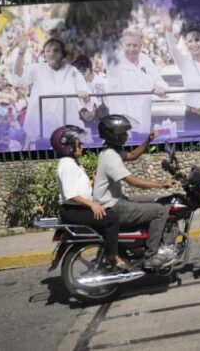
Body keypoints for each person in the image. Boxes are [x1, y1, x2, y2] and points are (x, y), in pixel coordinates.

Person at [93, 114, 180, 270]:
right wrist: (161, 184)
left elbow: (133, 155)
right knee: (160, 211)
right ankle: (151, 256)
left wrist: (148, 140)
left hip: (116, 201)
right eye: (124, 132)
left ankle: (151, 242)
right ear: (115, 135)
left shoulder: (111, 151)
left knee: (159, 200)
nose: (127, 135)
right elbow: (132, 181)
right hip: (113, 206)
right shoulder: (110, 157)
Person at [52, 125, 129, 270]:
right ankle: (112, 256)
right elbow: (71, 194)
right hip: (73, 210)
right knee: (111, 218)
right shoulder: (67, 165)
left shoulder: (72, 163)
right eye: (78, 144)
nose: (82, 146)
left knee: (108, 217)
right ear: (67, 146)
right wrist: (92, 205)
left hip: (75, 208)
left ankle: (113, 249)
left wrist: (92, 182)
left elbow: (78, 187)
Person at [13, 37, 90, 149]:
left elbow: (83, 91)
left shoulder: (72, 71)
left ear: (63, 54)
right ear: (44, 54)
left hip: (65, 126)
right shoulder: (36, 69)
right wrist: (21, 52)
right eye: (48, 51)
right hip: (40, 128)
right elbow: (18, 75)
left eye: (56, 50)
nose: (52, 54)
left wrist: (83, 92)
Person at [102, 29, 167, 140]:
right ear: (121, 45)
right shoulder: (114, 61)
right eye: (128, 45)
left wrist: (161, 88)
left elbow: (159, 80)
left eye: (135, 45)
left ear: (141, 46)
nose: (132, 49)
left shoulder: (146, 60)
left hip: (143, 123)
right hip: (122, 126)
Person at [71, 55, 109, 134]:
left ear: (90, 68)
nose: (80, 76)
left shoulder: (103, 81)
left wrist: (95, 108)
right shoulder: (76, 85)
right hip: (84, 120)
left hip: (102, 119)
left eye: (83, 72)